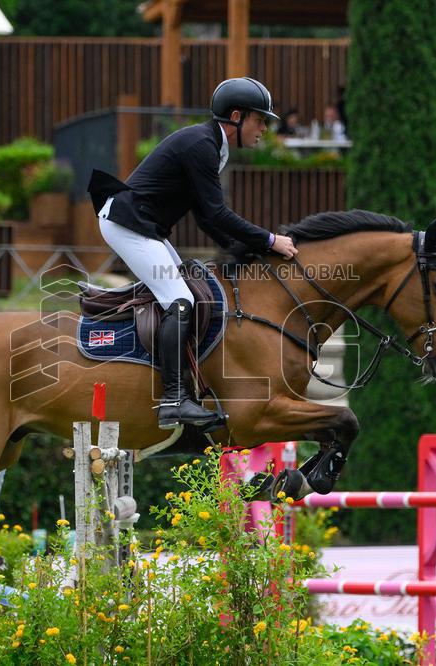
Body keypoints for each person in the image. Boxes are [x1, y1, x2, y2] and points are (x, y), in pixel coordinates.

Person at [87, 77, 298, 430]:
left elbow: (204, 215)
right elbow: (216, 214)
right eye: (260, 120)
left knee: (188, 293)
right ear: (236, 116)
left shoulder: (213, 146)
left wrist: (244, 251)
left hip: (144, 227)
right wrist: (268, 240)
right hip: (126, 225)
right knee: (180, 301)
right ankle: (173, 400)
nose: (264, 128)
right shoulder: (202, 145)